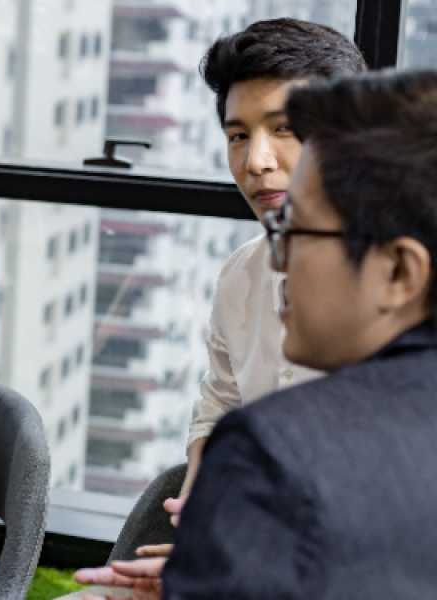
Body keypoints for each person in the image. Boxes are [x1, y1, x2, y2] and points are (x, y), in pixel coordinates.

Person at [83, 69, 437, 599]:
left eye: (296, 232)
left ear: (400, 271)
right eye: (238, 135)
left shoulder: (274, 449)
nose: (278, 261)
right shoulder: (238, 277)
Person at [171, 17, 366, 523]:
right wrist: (200, 492)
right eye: (238, 135)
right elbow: (220, 403)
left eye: (284, 128)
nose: (256, 161)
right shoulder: (241, 273)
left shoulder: (410, 285)